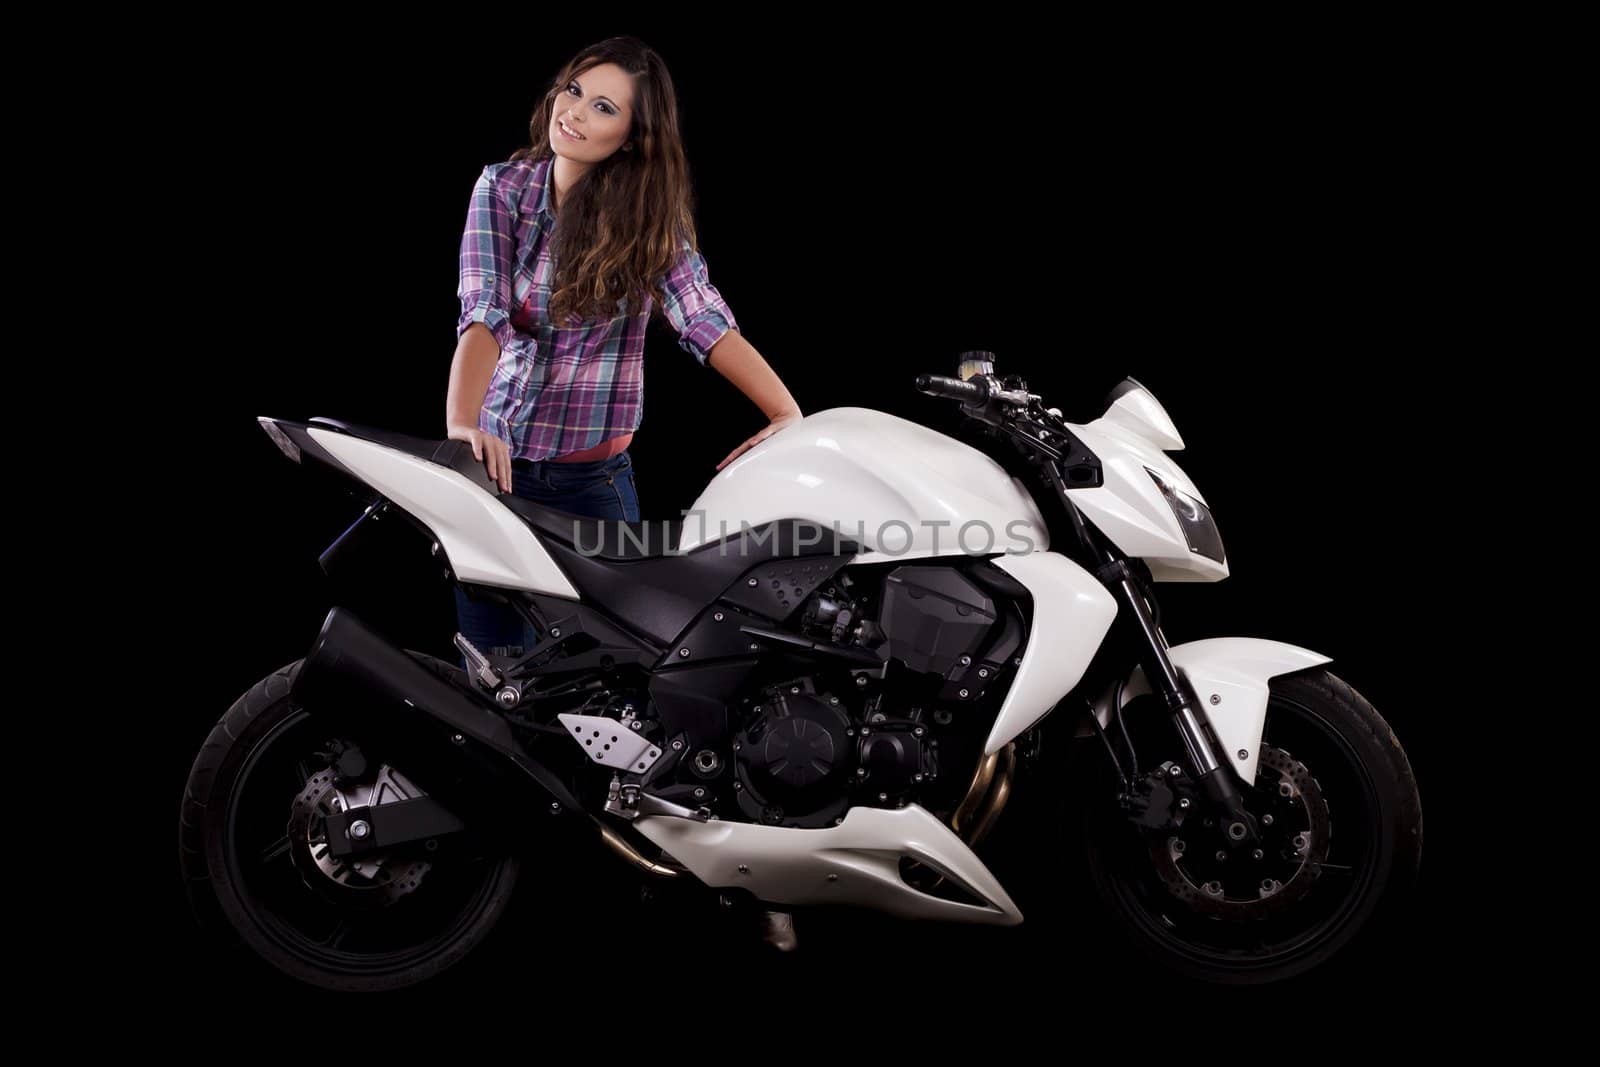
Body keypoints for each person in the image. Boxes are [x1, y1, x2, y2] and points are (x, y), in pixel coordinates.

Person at [445, 36, 804, 661]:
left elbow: (703, 319)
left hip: (593, 491)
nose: (575, 112)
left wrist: (785, 413)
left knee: (607, 680)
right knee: (492, 675)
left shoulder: (648, 223)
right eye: (575, 91)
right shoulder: (503, 190)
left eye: (604, 108)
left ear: (635, 136)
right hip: (495, 476)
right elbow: (482, 313)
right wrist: (460, 424)